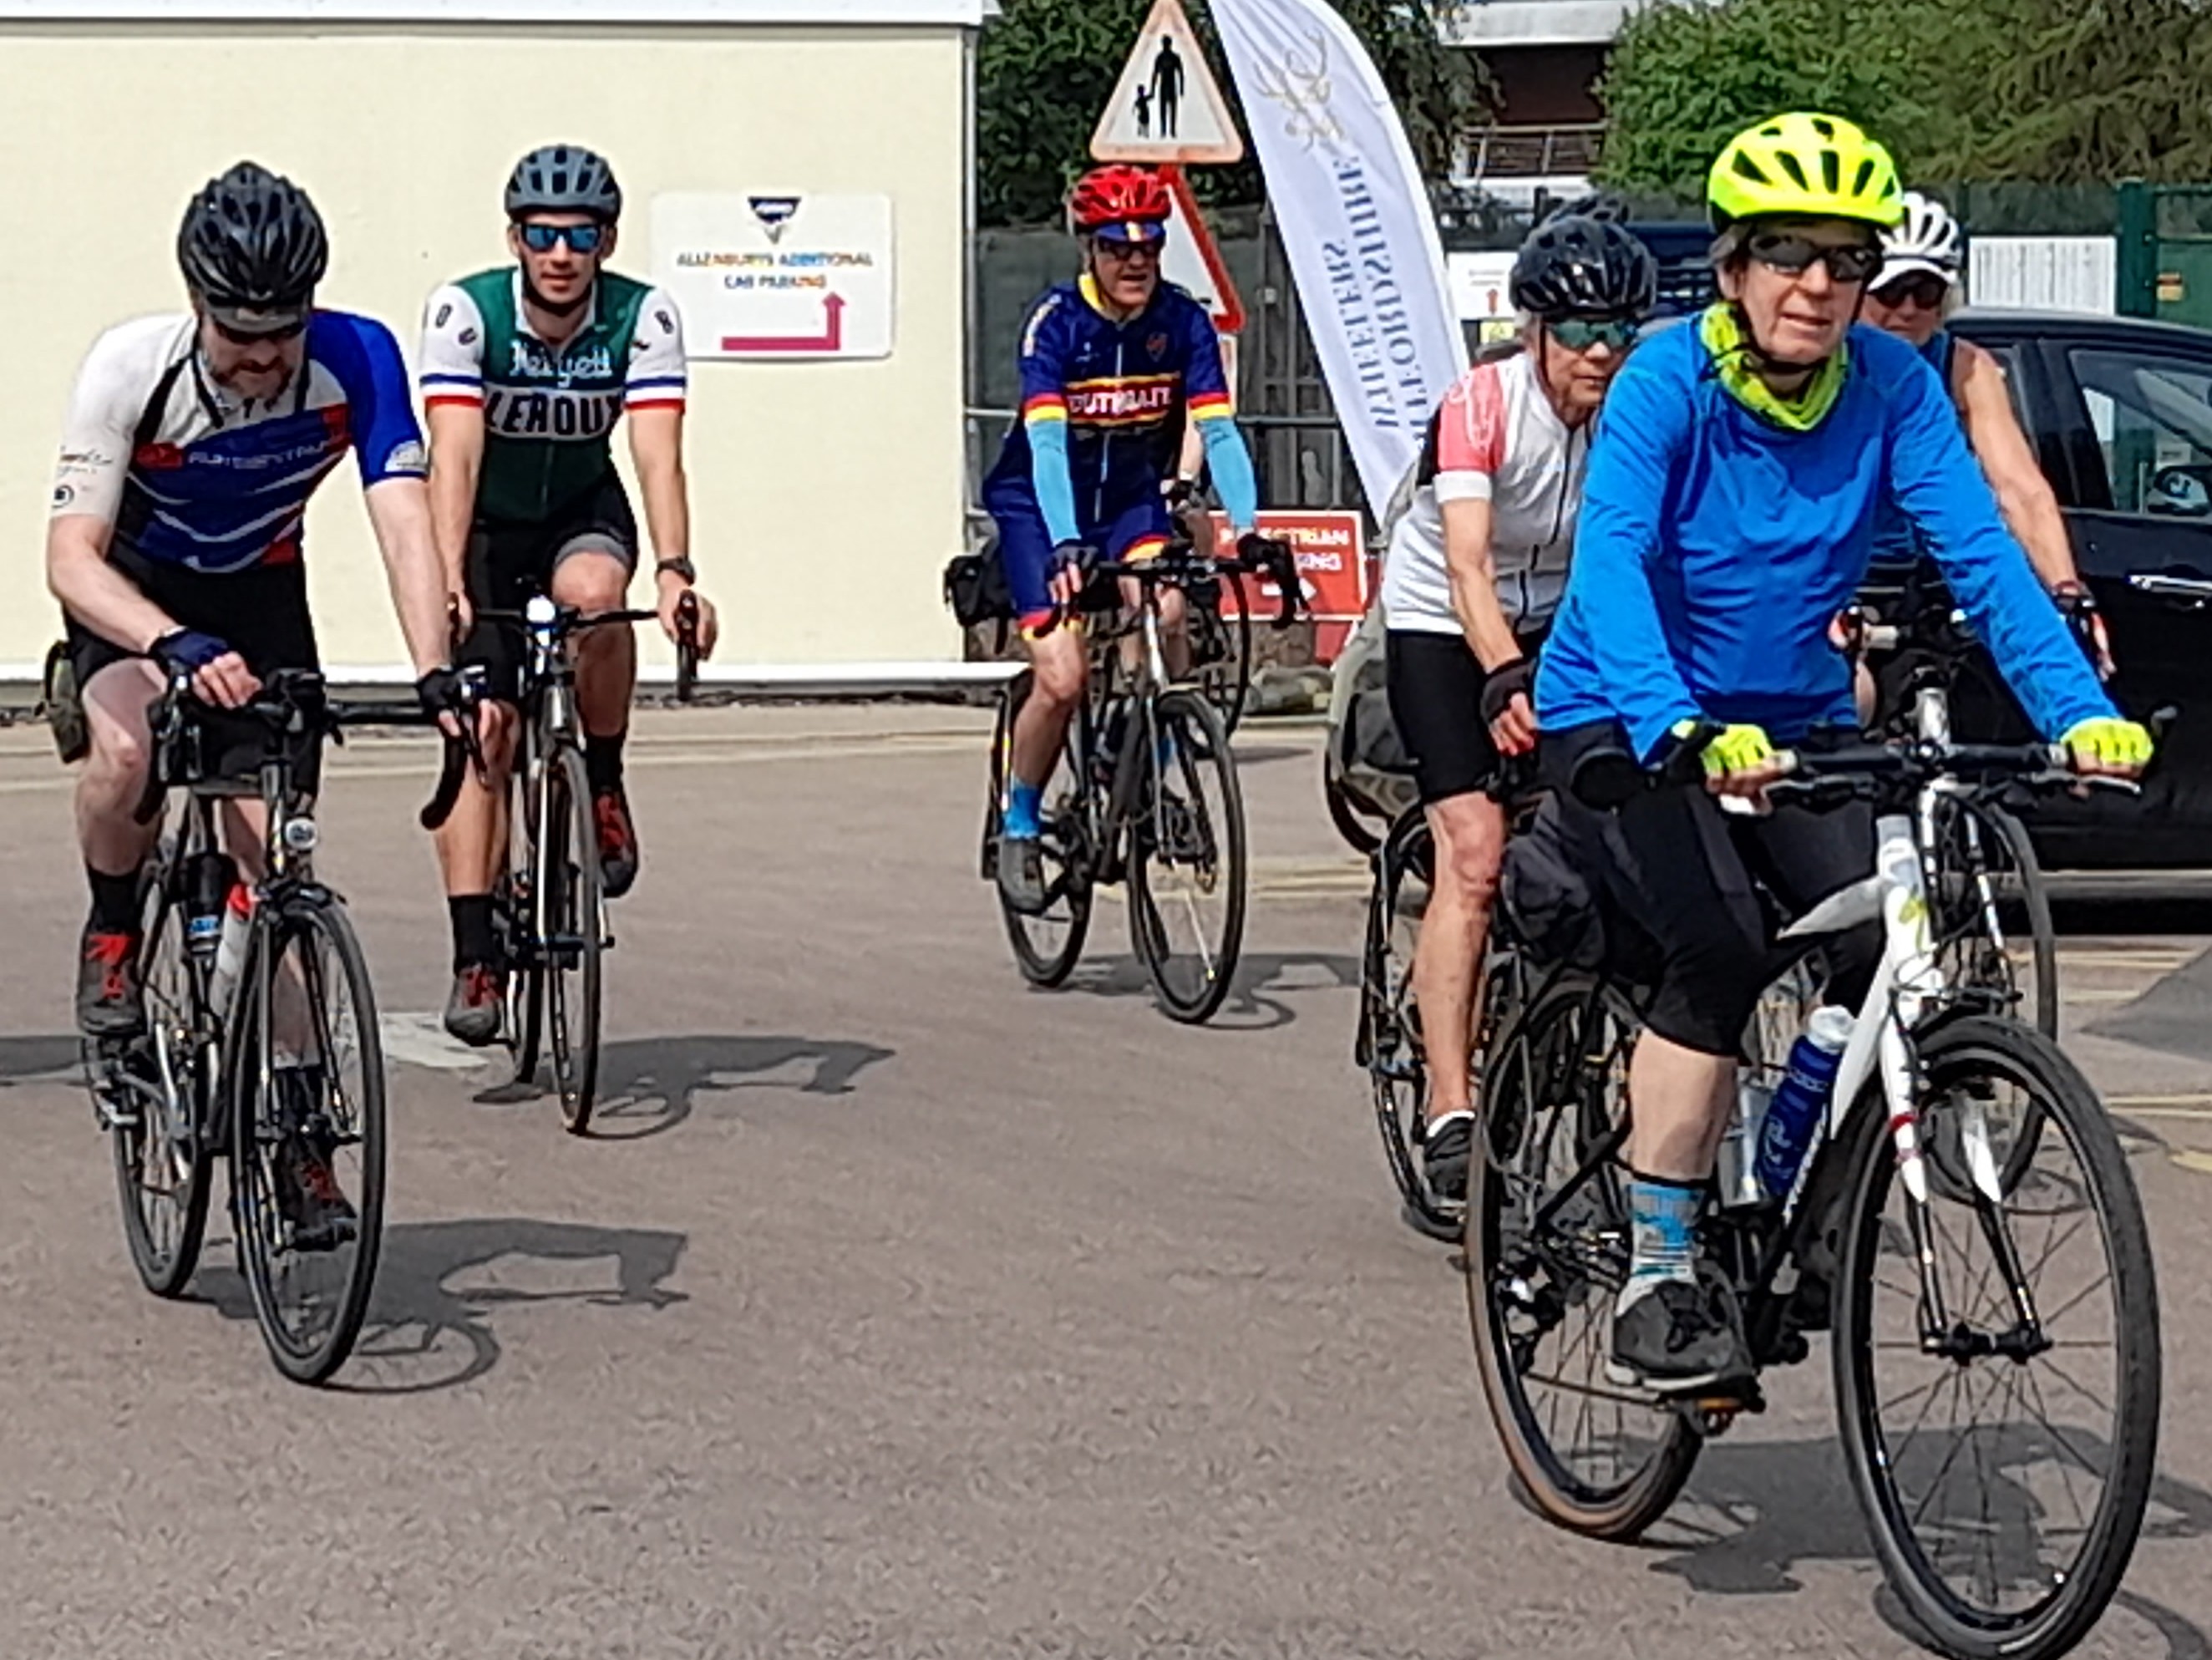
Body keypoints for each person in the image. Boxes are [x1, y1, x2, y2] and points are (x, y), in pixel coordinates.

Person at [1532, 112, 2153, 1391]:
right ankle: (1659, 1265)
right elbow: (1610, 570)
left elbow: (1979, 555)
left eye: (1847, 260)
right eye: (1788, 255)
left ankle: (1782, 1185)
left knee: (1883, 939)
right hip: (1630, 710)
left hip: (1799, 718)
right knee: (1717, 945)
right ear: (1733, 266)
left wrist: (2072, 705)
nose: (1819, 284)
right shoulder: (1664, 383)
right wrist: (1681, 726)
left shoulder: (1891, 385)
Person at [48, 160, 460, 1246]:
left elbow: (404, 519)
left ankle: (302, 1147)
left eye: (286, 328)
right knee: (128, 753)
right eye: (241, 332)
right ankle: (109, 936)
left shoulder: (357, 356)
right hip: (139, 598)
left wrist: (436, 670)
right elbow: (69, 557)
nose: (268, 355)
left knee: (274, 868)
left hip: (263, 599)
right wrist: (169, 640)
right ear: (196, 306)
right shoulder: (131, 368)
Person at [1376, 212, 1656, 1203]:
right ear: (1532, 329)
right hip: (1444, 626)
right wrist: (1501, 677)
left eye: (1619, 331)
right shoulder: (1479, 403)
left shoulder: (1633, 410)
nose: (1599, 352)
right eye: (1578, 331)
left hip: (1560, 620)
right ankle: (1448, 1103)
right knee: (1476, 853)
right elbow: (1461, 567)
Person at [419, 143, 721, 1045]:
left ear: (606, 239)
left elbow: (657, 452)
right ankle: (475, 950)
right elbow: (455, 454)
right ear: (515, 239)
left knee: (596, 597)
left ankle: (604, 779)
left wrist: (675, 571)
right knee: (487, 727)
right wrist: (442, 581)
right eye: (543, 235)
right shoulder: (466, 313)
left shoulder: (641, 315)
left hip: (578, 510)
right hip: (481, 525)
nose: (560, 254)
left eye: (579, 236)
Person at [980, 163, 1265, 915]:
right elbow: (1045, 450)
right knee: (1064, 676)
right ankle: (1019, 819)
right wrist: (1068, 539)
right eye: (1117, 247)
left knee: (1170, 614)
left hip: (1132, 498)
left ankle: (1137, 755)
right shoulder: (1055, 326)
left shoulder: (1183, 322)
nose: (1135, 261)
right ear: (1088, 248)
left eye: (1149, 245)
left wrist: (1254, 529)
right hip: (1042, 507)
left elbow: (1218, 430)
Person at [1862, 189, 2111, 672]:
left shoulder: (1964, 366)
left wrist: (2068, 591)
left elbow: (2020, 488)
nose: (1909, 309)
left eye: (1926, 293)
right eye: (1890, 292)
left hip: (1931, 576)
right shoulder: (1827, 366)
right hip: (1845, 576)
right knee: (1849, 705)